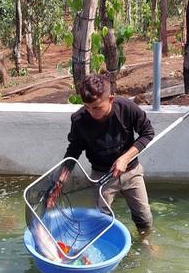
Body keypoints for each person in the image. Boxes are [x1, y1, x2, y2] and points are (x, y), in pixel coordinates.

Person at [48, 73, 155, 238]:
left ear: (111, 99)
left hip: (131, 172)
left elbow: (147, 133)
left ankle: (146, 241)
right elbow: (74, 149)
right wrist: (61, 179)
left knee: (144, 216)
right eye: (87, 107)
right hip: (101, 176)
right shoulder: (79, 119)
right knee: (101, 219)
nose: (92, 112)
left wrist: (125, 158)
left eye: (97, 107)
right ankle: (105, 246)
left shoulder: (126, 108)